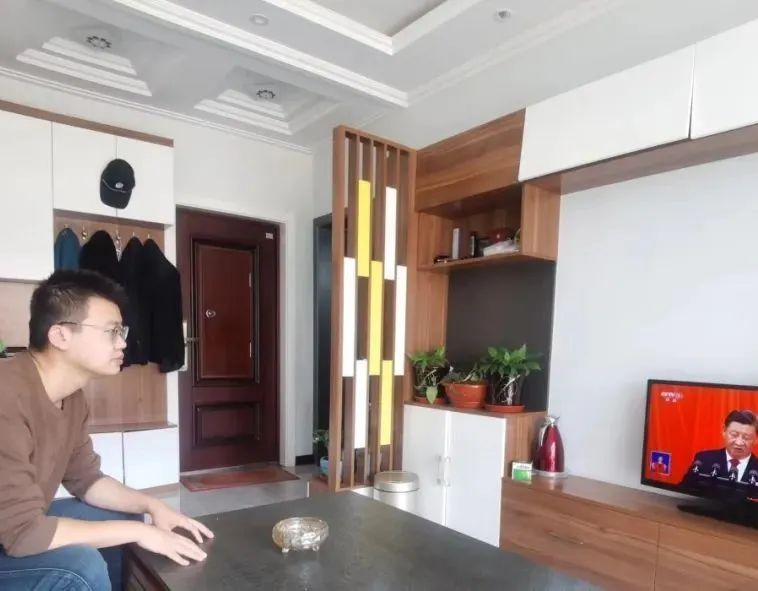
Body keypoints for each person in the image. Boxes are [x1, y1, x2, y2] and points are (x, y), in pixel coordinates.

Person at [0, 270, 214, 590]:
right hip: (13, 535)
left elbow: (87, 480)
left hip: (13, 529)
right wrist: (141, 533)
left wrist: (152, 506)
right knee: (81, 567)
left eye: (121, 331)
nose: (123, 342)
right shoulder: (6, 395)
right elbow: (23, 534)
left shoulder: (72, 398)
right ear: (60, 336)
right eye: (112, 331)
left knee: (124, 518)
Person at [680, 409, 758, 487]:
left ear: (756, 439)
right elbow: (682, 491)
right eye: (734, 435)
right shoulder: (703, 460)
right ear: (724, 430)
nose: (739, 442)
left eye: (746, 438)